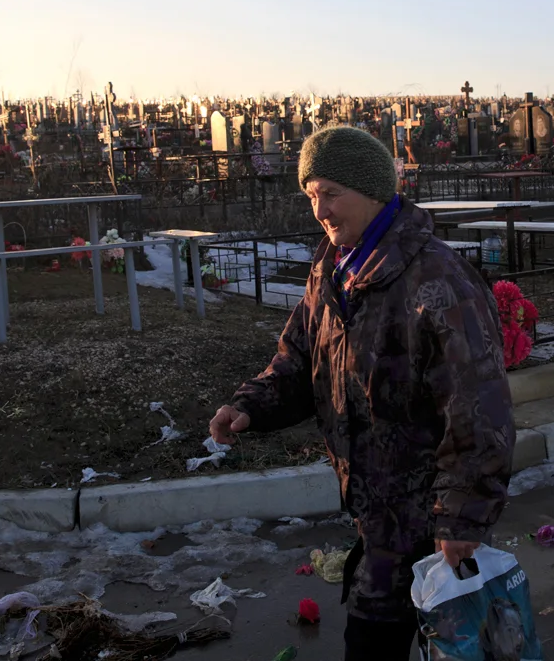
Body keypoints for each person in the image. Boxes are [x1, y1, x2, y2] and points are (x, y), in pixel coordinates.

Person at [209, 125, 515, 661]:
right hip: (375, 512)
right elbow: (300, 358)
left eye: (331, 193)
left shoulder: (437, 279)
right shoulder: (333, 270)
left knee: (400, 644)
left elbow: (478, 405)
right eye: (311, 195)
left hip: (427, 516)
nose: (320, 210)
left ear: (373, 191)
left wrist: (462, 516)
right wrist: (249, 406)